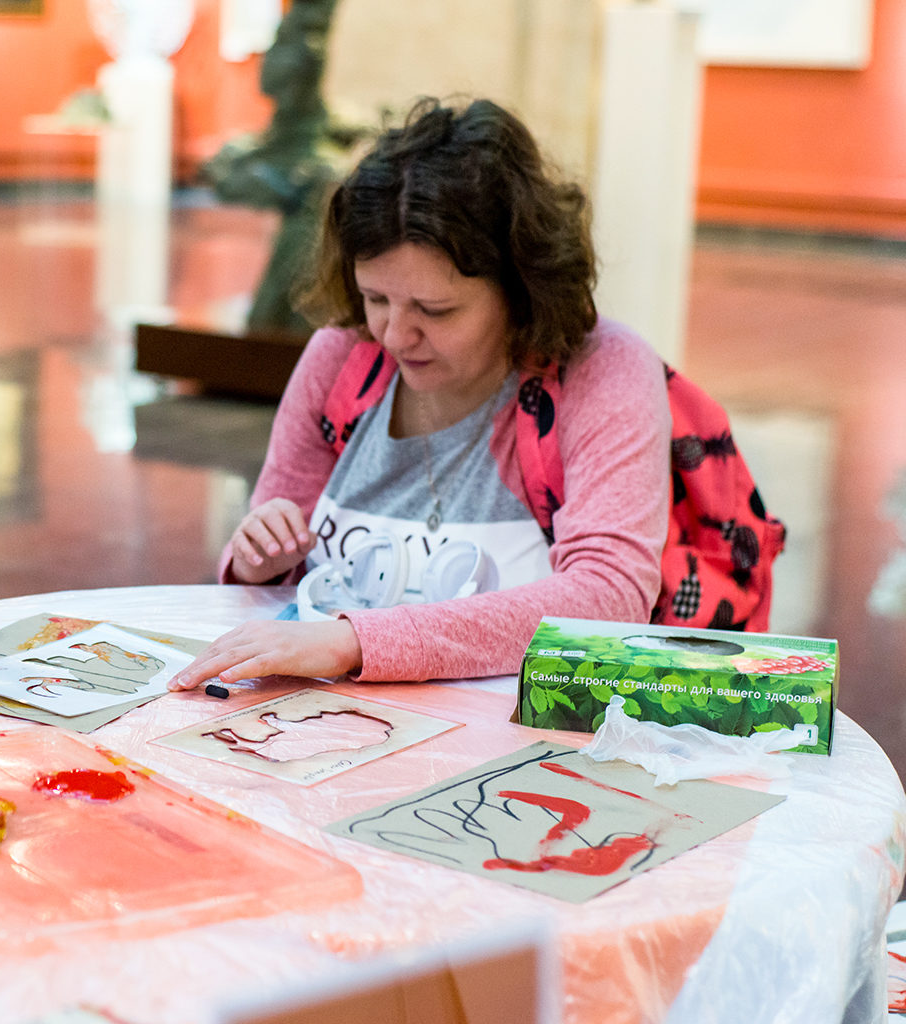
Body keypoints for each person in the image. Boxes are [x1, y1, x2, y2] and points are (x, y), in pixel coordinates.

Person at [170, 98, 671, 690]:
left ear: (520, 288)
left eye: (436, 310)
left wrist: (358, 642)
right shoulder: (341, 360)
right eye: (375, 299)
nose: (394, 334)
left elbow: (609, 596)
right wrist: (256, 556)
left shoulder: (601, 370)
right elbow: (272, 583)